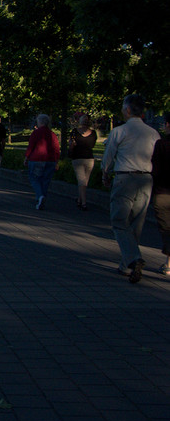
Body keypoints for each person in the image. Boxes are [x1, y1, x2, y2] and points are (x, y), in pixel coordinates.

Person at [101, 94, 160, 283]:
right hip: (145, 179)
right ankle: (126, 265)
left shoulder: (119, 131)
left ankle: (133, 259)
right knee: (136, 222)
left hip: (125, 178)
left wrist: (105, 172)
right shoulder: (153, 133)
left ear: (127, 110)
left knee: (119, 220)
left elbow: (108, 156)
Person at [24, 114, 60, 210]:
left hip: (37, 159)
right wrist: (56, 161)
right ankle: (41, 197)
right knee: (45, 180)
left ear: (40, 122)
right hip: (50, 160)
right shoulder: (52, 134)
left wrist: (27, 157)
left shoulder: (36, 133)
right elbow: (57, 148)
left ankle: (40, 196)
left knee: (34, 178)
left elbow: (31, 146)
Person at [152, 114, 170, 276]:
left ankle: (169, 262)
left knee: (166, 228)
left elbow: (155, 170)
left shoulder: (161, 144)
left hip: (163, 192)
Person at [69, 114, 98, 211]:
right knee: (84, 181)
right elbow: (92, 145)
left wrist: (72, 146)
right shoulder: (93, 133)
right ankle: (81, 201)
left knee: (82, 181)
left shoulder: (74, 132)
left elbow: (71, 144)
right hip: (88, 158)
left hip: (78, 157)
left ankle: (82, 202)